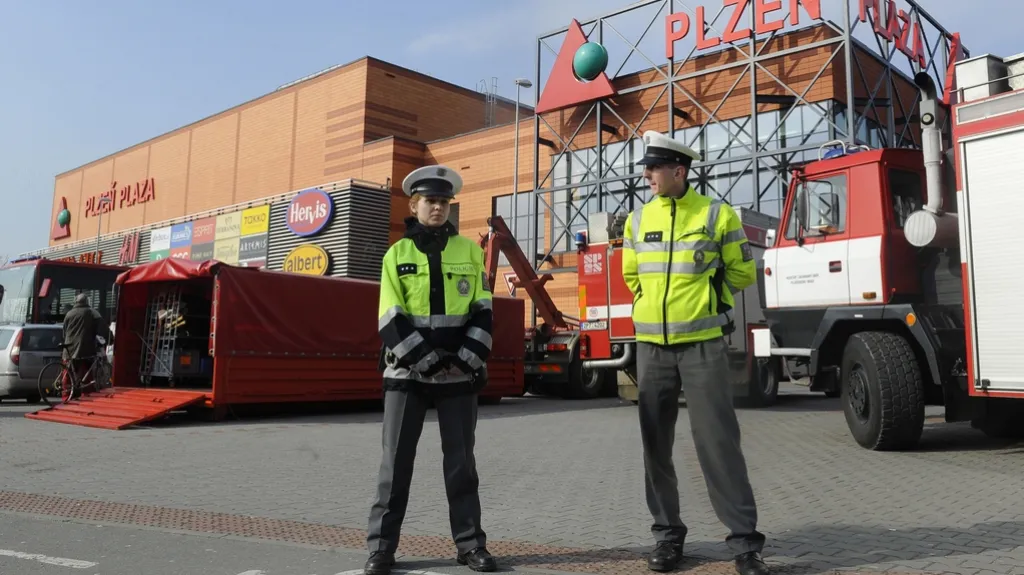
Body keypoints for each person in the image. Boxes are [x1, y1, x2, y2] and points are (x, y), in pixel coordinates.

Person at [622, 131, 770, 575]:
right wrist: (648, 311)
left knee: (718, 443)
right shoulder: (636, 219)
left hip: (702, 345)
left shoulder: (716, 215)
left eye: (653, 168)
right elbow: (633, 276)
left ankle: (745, 544)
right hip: (651, 348)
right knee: (655, 446)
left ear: (679, 171)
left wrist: (709, 300)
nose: (646, 175)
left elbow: (742, 271)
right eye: (646, 168)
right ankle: (667, 538)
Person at [365, 164, 497, 575]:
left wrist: (465, 360)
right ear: (414, 204)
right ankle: (381, 549)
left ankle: (470, 546)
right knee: (395, 466)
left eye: (443, 202)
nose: (437, 208)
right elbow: (389, 317)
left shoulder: (471, 253)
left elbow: (484, 311)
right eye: (430, 201)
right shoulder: (396, 255)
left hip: (458, 376)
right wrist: (428, 360)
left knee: (462, 466)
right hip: (407, 378)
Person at [61, 293, 105, 397]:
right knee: (87, 373)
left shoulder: (69, 314)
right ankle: (87, 395)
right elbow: (103, 329)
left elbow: (64, 332)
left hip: (68, 349)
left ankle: (66, 395)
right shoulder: (92, 312)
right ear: (87, 302)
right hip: (84, 349)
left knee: (68, 373)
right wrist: (110, 338)